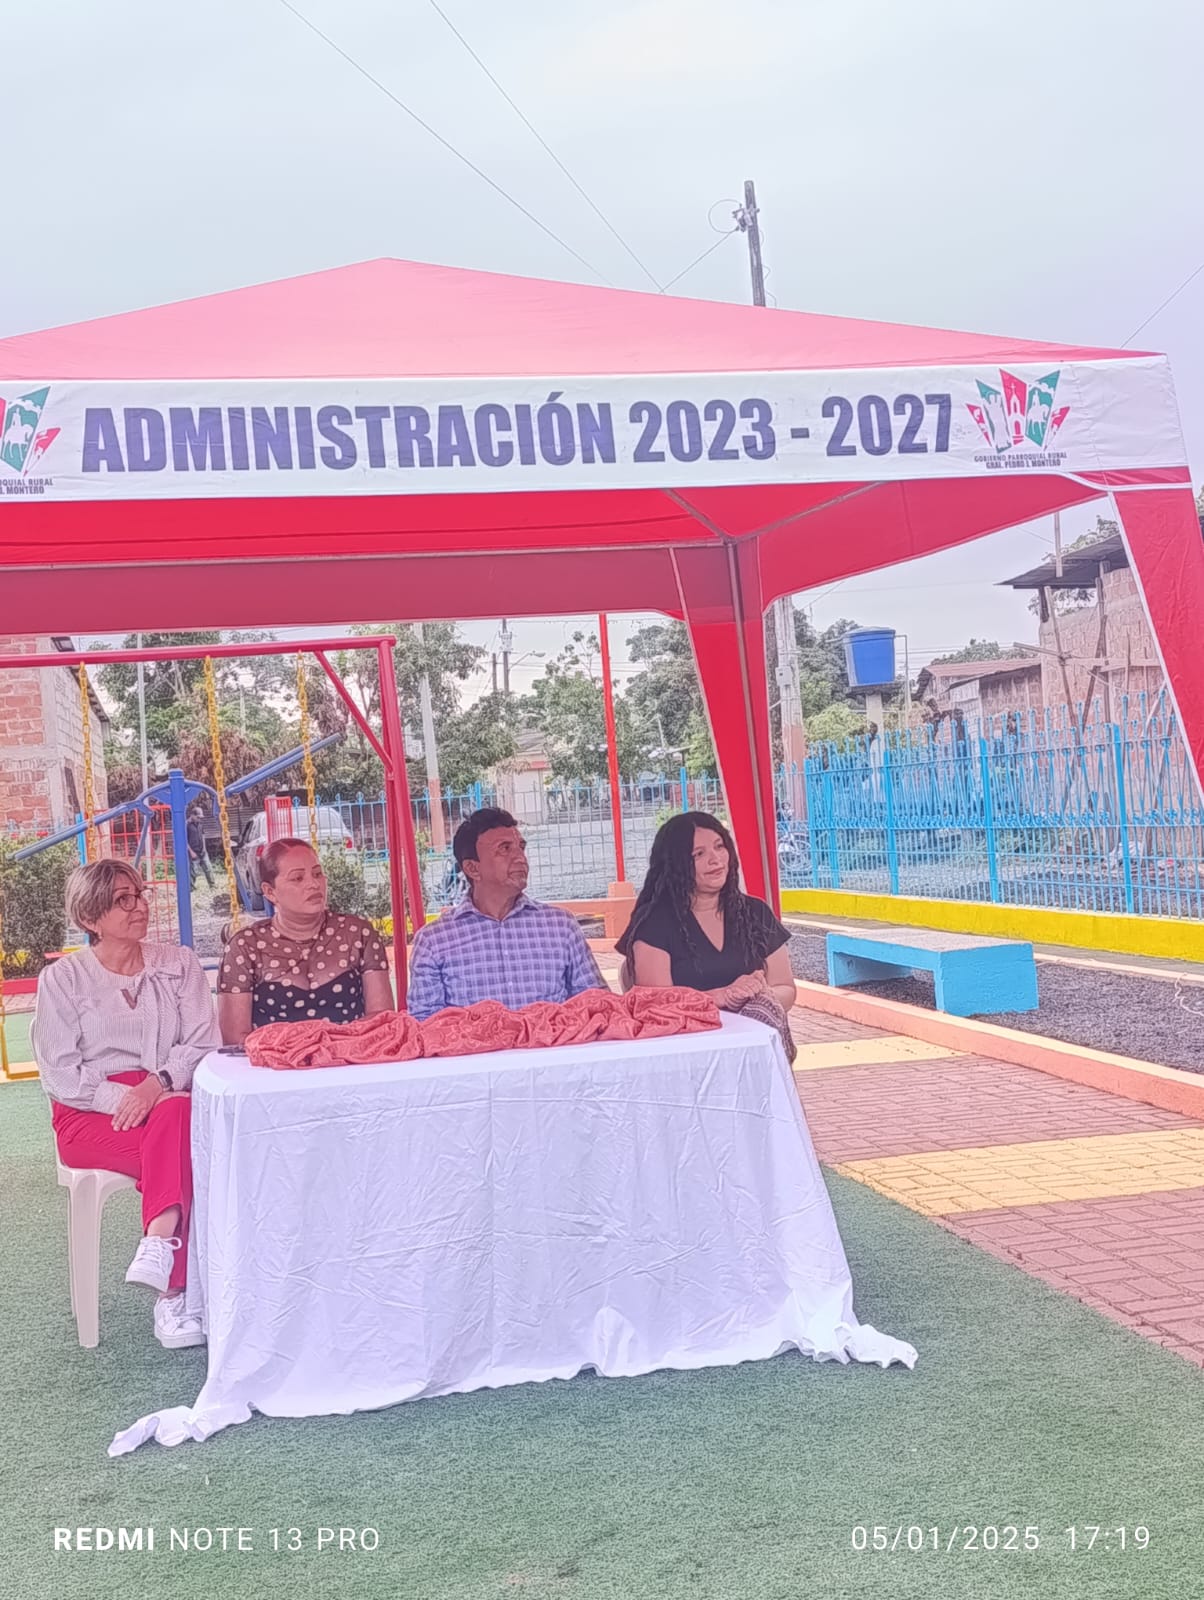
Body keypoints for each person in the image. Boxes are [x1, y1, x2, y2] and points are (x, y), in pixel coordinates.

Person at [33, 859, 218, 1350]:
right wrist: (126, 1098)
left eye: (139, 894)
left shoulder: (179, 963)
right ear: (90, 918)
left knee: (177, 1117)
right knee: (189, 1150)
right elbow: (59, 1073)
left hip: (168, 1098)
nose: (139, 907)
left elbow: (203, 1042)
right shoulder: (62, 979)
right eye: (123, 900)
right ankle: (175, 1294)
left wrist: (155, 1086)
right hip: (88, 1113)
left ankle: (158, 1246)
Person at [615, 811, 797, 1060]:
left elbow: (786, 988)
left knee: (764, 1008)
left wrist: (757, 995)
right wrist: (721, 997)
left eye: (719, 846)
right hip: (688, 1052)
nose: (715, 859)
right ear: (675, 865)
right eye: (698, 854)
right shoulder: (654, 925)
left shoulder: (756, 912)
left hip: (754, 1045)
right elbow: (656, 1005)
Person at [407, 808, 606, 1021]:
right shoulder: (434, 941)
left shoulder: (561, 927)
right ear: (473, 868)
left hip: (551, 1042)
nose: (520, 858)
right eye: (505, 849)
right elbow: (424, 1024)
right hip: (475, 1044)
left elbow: (598, 1005)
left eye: (521, 847)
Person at [217, 837, 394, 1046]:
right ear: (270, 892)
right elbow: (236, 1039)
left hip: (350, 1057)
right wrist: (296, 1051)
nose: (313, 884)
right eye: (298, 878)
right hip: (274, 1062)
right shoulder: (245, 947)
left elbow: (382, 1019)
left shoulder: (358, 934)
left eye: (317, 874)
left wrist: (332, 1047)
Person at [186, 803, 214, 891]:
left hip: (202, 850)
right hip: (193, 850)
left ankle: (212, 885)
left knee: (208, 867)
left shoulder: (200, 824)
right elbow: (184, 840)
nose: (199, 819)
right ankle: (191, 887)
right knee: (193, 870)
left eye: (200, 818)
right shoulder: (186, 825)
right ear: (192, 815)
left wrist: (204, 848)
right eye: (198, 817)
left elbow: (203, 835)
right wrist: (191, 852)